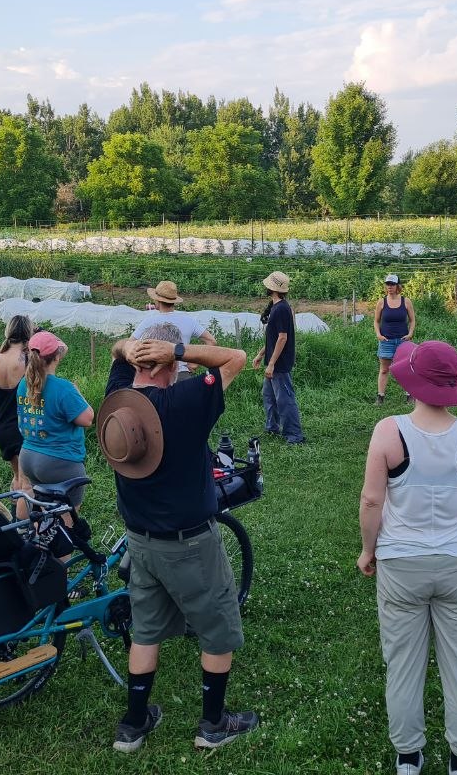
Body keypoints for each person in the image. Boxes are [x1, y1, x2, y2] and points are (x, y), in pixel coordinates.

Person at [98, 324, 258, 753]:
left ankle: (133, 726)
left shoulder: (117, 399)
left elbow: (117, 354)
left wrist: (125, 347)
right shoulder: (184, 402)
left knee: (146, 631)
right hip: (189, 543)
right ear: (171, 363)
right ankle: (213, 724)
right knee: (218, 628)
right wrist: (181, 349)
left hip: (140, 541)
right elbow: (237, 357)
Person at [358, 340, 457, 775]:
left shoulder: (389, 431)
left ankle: (408, 755)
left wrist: (368, 550)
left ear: (412, 382)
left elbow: (371, 501)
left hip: (401, 562)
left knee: (402, 662)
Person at [16, 331, 95, 539]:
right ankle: (58, 567)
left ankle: (27, 542)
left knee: (35, 503)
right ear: (57, 357)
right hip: (60, 462)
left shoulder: (24, 384)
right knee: (65, 521)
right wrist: (78, 393)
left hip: (29, 455)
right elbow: (87, 419)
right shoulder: (63, 388)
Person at [252, 271, 304, 444]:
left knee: (285, 400)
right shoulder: (276, 306)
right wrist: (261, 355)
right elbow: (273, 338)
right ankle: (272, 428)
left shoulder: (281, 309)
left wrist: (272, 363)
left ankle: (294, 435)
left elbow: (282, 338)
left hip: (279, 364)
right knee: (269, 396)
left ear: (271, 288)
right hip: (273, 362)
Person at [0, 315, 34, 484]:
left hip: (3, 429)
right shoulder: (29, 360)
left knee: (17, 477)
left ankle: (14, 508)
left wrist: (0, 422)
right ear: (28, 332)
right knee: (26, 482)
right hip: (25, 428)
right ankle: (19, 511)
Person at [130, 279, 217, 380]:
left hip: (154, 375)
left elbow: (130, 344)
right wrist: (195, 363)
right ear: (173, 301)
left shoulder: (148, 321)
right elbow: (211, 341)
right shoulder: (188, 320)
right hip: (182, 375)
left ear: (157, 300)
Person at [373, 273, 416, 405]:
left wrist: (410, 334)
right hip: (386, 341)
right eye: (388, 284)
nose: (389, 287)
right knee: (384, 369)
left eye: (392, 284)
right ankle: (380, 397)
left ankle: (409, 395)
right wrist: (378, 335)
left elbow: (412, 320)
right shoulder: (381, 302)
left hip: (403, 341)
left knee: (406, 368)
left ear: (398, 286)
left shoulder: (406, 301)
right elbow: (376, 321)